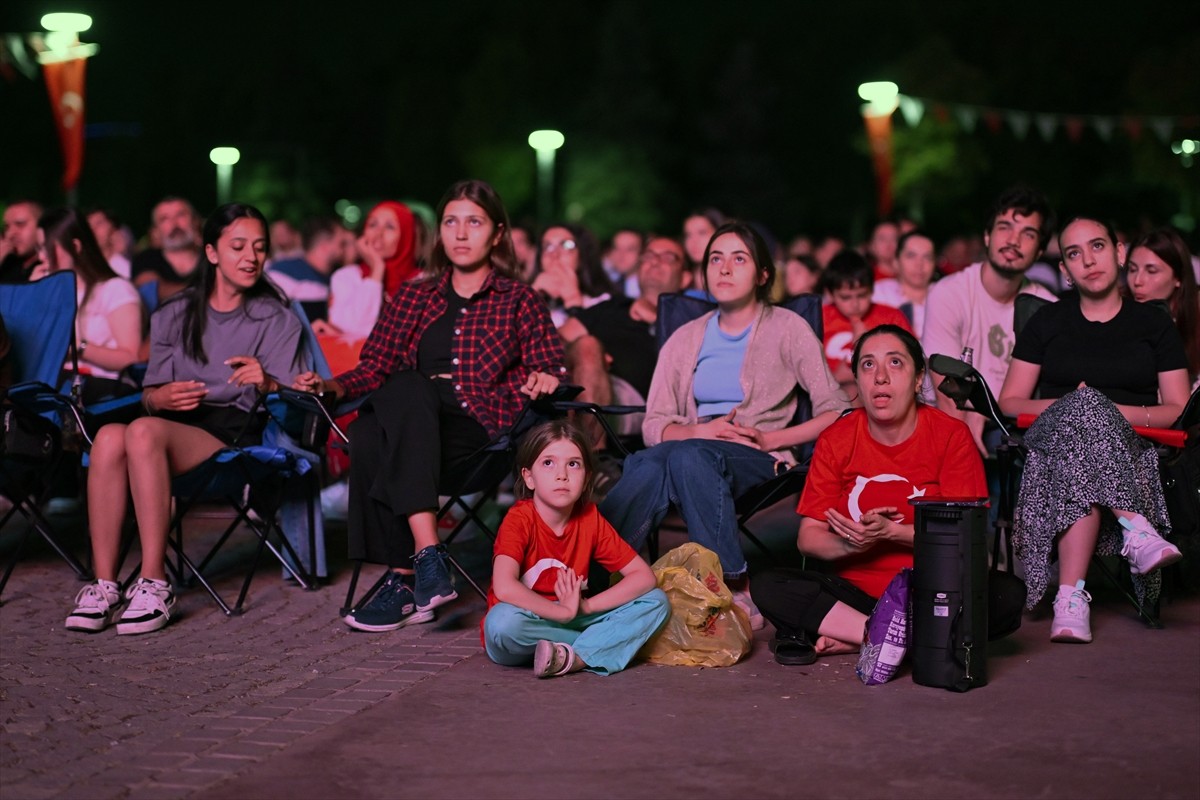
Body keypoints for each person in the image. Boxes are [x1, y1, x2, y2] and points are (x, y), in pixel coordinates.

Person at [292, 179, 567, 632]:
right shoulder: (414, 297)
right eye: (451, 222)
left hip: (476, 435)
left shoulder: (520, 300)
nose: (460, 233)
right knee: (396, 398)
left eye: (474, 222)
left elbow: (554, 368)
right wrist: (329, 385)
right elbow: (373, 366)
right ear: (439, 233)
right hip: (415, 427)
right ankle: (426, 558)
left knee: (372, 430)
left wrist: (546, 379)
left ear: (497, 234)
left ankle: (405, 576)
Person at [64, 203, 305, 635]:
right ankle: (104, 586)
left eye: (259, 247)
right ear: (211, 252)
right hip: (171, 425)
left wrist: (267, 380)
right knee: (107, 437)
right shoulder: (174, 313)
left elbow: (295, 398)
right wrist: (160, 396)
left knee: (139, 432)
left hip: (233, 431)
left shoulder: (277, 318)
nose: (251, 256)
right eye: (238, 246)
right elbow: (151, 395)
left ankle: (154, 582)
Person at [599, 221, 849, 629]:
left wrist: (771, 437)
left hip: (758, 456)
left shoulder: (788, 328)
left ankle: (727, 583)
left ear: (763, 274)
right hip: (695, 451)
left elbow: (836, 409)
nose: (724, 269)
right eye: (716, 259)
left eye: (739, 258)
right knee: (653, 460)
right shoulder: (684, 337)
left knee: (670, 459)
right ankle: (618, 577)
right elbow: (655, 423)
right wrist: (701, 431)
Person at [998, 214, 1189, 644]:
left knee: (1089, 416)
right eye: (1074, 253)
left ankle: (1070, 597)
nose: (1089, 260)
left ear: (1119, 253)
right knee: (1082, 408)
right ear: (1064, 271)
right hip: (1051, 439)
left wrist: (1107, 409)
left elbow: (1176, 407)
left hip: (1129, 445)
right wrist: (1074, 405)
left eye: (1098, 246)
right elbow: (1010, 401)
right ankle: (1137, 530)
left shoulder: (1154, 324)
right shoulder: (1045, 322)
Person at [751, 325, 986, 663]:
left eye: (895, 363)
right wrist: (851, 543)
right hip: (853, 595)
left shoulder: (951, 436)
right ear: (857, 382)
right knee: (768, 585)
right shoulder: (837, 438)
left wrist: (893, 533)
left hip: (931, 589)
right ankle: (883, 632)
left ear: (919, 378)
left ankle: (860, 634)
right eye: (868, 365)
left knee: (1004, 595)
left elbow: (967, 534)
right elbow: (808, 538)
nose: (880, 378)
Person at [483, 420, 670, 677]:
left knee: (657, 601)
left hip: (574, 615)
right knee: (501, 622)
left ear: (586, 479)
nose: (562, 474)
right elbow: (504, 586)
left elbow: (643, 577)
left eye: (573, 464)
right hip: (527, 623)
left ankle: (575, 657)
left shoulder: (589, 518)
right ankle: (602, 642)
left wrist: (586, 608)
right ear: (529, 477)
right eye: (548, 463)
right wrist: (560, 612)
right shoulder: (520, 519)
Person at [922, 186, 1058, 455]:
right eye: (1005, 227)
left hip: (1018, 428)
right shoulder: (950, 293)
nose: (1014, 240)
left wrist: (988, 414)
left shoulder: (1047, 307)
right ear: (987, 236)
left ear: (1040, 251)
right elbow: (946, 389)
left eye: (1028, 234)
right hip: (953, 420)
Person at [558, 235, 690, 449]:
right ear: (638, 269)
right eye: (649, 256)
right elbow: (552, 342)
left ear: (685, 278)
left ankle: (590, 462)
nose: (655, 261)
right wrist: (591, 360)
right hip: (577, 386)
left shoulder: (687, 326)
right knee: (586, 347)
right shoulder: (611, 308)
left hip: (637, 405)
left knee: (588, 347)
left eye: (667, 257)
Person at [34, 207, 145, 405]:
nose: (42, 257)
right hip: (58, 382)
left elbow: (131, 358)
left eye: (47, 247)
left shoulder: (115, 289)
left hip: (102, 386)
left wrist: (78, 348)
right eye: (39, 248)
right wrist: (35, 294)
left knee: (62, 394)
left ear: (75, 247)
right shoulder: (50, 290)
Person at [316, 201, 419, 374]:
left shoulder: (422, 282)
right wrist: (377, 271)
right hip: (350, 371)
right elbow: (356, 328)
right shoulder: (346, 277)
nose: (378, 234)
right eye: (372, 224)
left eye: (390, 227)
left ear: (406, 236)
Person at [820, 249, 912, 400]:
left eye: (862, 295)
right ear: (831, 294)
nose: (855, 304)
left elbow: (909, 363)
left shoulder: (891, 317)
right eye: (845, 297)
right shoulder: (820, 318)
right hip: (832, 397)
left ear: (871, 290)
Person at [1126, 227, 1199, 387]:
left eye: (1151, 271)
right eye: (1132, 270)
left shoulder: (1195, 313)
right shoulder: (1120, 310)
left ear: (1178, 277)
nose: (1138, 281)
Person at [530, 223, 614, 327]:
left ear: (583, 255)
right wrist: (530, 298)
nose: (554, 254)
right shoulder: (529, 299)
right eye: (547, 246)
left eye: (566, 245)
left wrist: (573, 301)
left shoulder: (606, 303)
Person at [130, 197, 204, 303]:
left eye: (181, 215)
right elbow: (153, 290)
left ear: (195, 221)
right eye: (164, 219)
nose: (174, 223)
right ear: (155, 231)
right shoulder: (145, 260)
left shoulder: (212, 256)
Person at [872, 229, 937, 337]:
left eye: (927, 257)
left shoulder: (947, 296)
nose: (919, 264)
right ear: (896, 262)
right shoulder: (878, 294)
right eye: (911, 256)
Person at [1, 200, 44, 283]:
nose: (10, 234)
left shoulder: (51, 267)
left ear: (41, 225)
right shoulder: (7, 264)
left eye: (20, 224)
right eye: (7, 227)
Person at [86, 208, 132, 280]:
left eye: (99, 223)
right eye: (89, 227)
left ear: (113, 228)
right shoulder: (85, 271)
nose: (93, 230)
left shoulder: (123, 270)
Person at [603, 228, 645, 298]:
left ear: (642, 253)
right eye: (616, 248)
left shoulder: (651, 288)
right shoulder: (606, 287)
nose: (621, 255)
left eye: (629, 249)